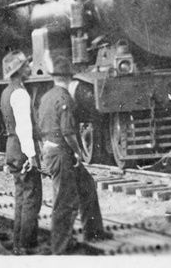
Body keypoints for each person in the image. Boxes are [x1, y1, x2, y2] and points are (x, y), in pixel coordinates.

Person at [37, 51, 113, 254]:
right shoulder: (65, 99)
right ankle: (60, 247)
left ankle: (93, 231)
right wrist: (78, 152)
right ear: (70, 77)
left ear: (54, 77)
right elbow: (69, 133)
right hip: (63, 154)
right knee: (64, 201)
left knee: (86, 186)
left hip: (54, 151)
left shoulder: (46, 97)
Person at [0, 51, 42, 255]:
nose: (29, 67)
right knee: (31, 196)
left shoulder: (6, 92)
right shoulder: (21, 94)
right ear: (18, 71)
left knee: (21, 196)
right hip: (22, 147)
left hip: (11, 146)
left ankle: (18, 242)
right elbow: (24, 127)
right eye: (25, 66)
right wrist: (32, 155)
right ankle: (27, 245)